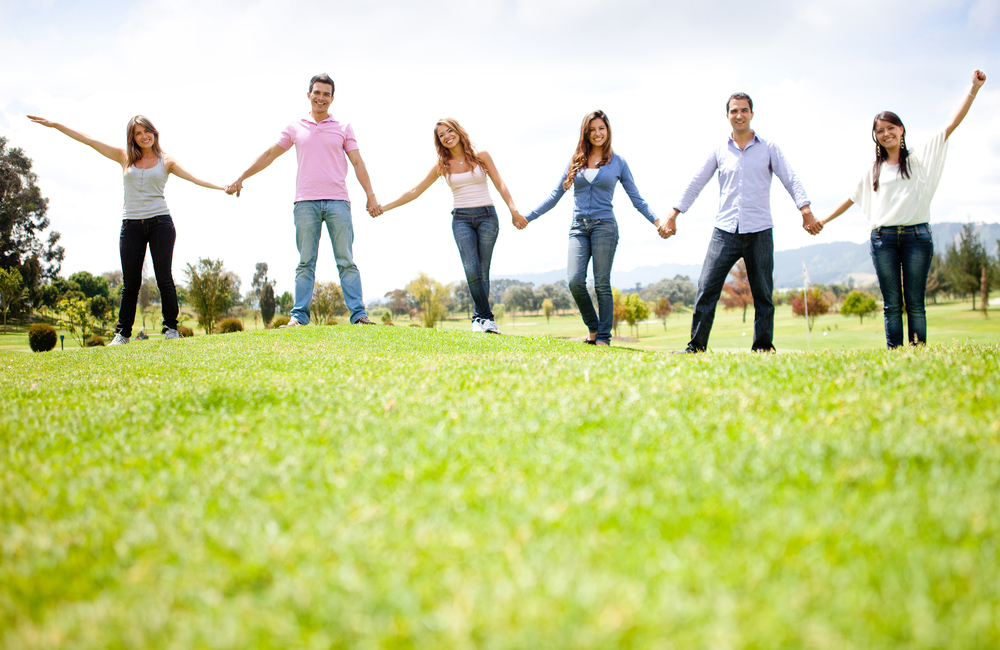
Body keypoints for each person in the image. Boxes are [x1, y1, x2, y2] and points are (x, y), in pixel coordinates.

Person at [819, 70, 987, 348]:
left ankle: (917, 352)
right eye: (880, 131)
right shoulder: (873, 169)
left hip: (917, 237)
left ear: (901, 130)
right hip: (883, 239)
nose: (886, 134)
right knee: (892, 304)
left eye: (890, 128)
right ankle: (896, 354)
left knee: (916, 303)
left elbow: (951, 124)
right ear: (876, 137)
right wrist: (822, 220)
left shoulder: (919, 160)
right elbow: (850, 199)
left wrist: (974, 88)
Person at [28, 114, 226, 346]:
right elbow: (89, 140)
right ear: (132, 138)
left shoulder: (166, 160)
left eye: (146, 131)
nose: (144, 136)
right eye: (137, 133)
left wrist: (223, 187)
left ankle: (171, 329)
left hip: (160, 224)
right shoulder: (125, 157)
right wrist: (56, 124)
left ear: (154, 132)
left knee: (164, 278)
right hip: (131, 225)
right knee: (130, 283)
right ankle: (122, 334)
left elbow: (195, 178)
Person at [659, 92, 822, 353]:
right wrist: (673, 213)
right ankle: (696, 347)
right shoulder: (719, 150)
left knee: (763, 293)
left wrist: (805, 209)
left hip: (760, 230)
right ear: (727, 116)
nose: (739, 115)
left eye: (744, 110)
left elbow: (790, 178)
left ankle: (763, 348)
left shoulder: (769, 147)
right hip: (724, 231)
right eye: (734, 111)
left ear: (752, 114)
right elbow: (696, 182)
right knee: (706, 288)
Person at [227, 73, 380, 326]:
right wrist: (242, 176)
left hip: (338, 202)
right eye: (317, 92)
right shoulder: (295, 127)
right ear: (309, 94)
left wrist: (370, 195)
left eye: (326, 94)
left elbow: (357, 162)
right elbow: (269, 154)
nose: (321, 98)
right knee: (305, 262)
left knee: (346, 261)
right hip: (305, 203)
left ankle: (358, 315)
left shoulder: (343, 127)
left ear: (332, 98)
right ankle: (298, 317)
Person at [521, 110, 663, 346]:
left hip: (605, 227)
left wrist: (657, 222)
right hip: (578, 228)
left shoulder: (618, 163)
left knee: (601, 284)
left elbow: (637, 199)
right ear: (585, 133)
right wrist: (528, 217)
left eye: (601, 128)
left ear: (608, 130)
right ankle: (594, 327)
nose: (597, 133)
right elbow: (556, 194)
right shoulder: (576, 160)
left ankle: (603, 338)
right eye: (592, 129)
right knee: (575, 280)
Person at [375, 118, 527, 334]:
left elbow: (499, 182)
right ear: (439, 141)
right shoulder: (442, 165)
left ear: (457, 131)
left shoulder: (481, 155)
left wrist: (514, 211)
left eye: (449, 131)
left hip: (487, 217)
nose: (447, 136)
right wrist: (384, 207)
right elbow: (414, 191)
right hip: (461, 219)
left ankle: (479, 319)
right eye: (441, 135)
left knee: (483, 270)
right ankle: (487, 319)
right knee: (472, 269)